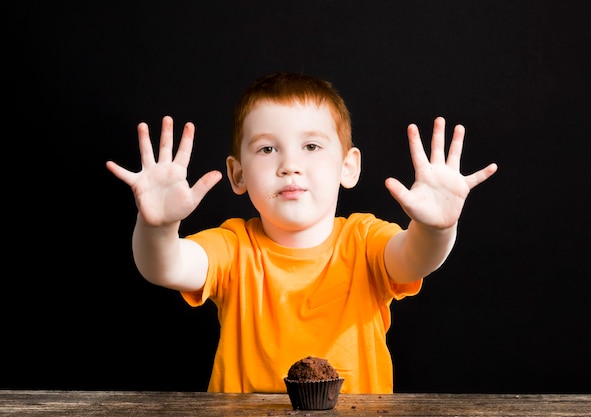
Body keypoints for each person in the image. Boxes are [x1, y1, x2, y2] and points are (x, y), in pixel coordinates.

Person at [106, 72, 498, 394]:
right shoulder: (233, 247)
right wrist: (157, 227)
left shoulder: (364, 240)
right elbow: (166, 267)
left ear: (348, 167)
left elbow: (415, 257)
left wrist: (435, 228)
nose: (290, 164)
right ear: (237, 174)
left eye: (311, 146)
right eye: (266, 150)